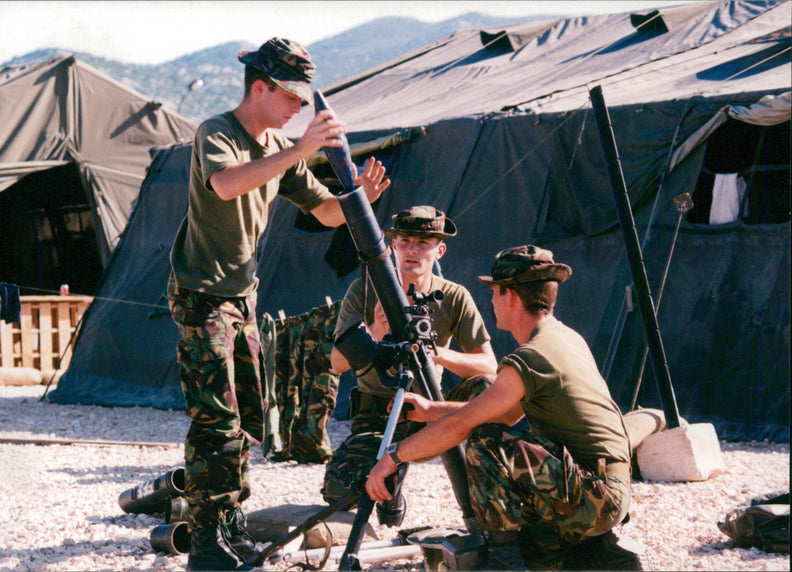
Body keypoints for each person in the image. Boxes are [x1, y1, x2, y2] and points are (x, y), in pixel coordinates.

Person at [166, 37, 390, 572]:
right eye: (291, 97)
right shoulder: (217, 132)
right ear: (260, 87)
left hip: (242, 297)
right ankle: (205, 541)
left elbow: (325, 213)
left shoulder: (276, 147)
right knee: (216, 419)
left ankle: (228, 524)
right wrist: (299, 148)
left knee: (244, 418)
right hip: (202, 296)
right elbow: (224, 185)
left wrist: (358, 198)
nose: (298, 108)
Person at [366, 245, 641, 570]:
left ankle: (503, 563)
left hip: (597, 496)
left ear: (511, 296)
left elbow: (464, 425)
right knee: (538, 552)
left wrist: (393, 457)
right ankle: (594, 553)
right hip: (604, 491)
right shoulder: (565, 337)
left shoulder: (531, 358)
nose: (492, 300)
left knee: (487, 441)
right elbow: (505, 412)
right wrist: (429, 410)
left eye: (495, 292)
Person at [322, 205, 498, 527]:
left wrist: (438, 355)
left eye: (423, 242)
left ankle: (492, 498)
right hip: (377, 411)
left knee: (487, 390)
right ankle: (393, 487)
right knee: (340, 488)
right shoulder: (365, 292)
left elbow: (489, 365)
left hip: (428, 411)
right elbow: (336, 363)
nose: (412, 250)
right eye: (405, 241)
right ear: (393, 246)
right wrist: (374, 332)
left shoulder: (454, 298)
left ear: (439, 250)